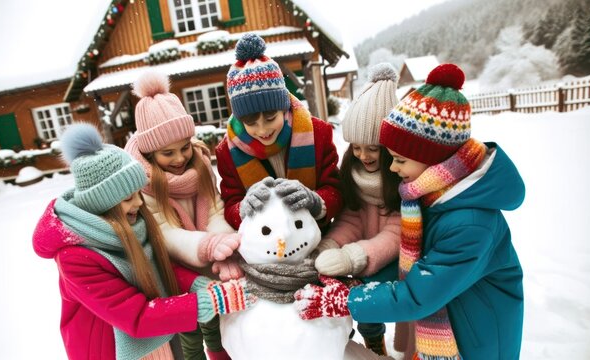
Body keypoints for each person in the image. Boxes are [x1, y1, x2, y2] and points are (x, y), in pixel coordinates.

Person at [295, 64, 525, 360]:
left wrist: (347, 299)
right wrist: (357, 282)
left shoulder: (470, 224)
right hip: (446, 325)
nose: (392, 168)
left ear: (431, 158)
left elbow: (418, 294)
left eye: (400, 160)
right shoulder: (429, 195)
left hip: (476, 341)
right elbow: (414, 265)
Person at [32, 123, 254, 360]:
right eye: (129, 198)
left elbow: (157, 267)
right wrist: (210, 301)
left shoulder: (133, 224)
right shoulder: (75, 258)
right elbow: (136, 315)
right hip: (113, 351)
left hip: (160, 341)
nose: (139, 203)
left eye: (138, 194)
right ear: (102, 204)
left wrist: (197, 285)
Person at [124, 71, 240, 360]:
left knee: (216, 325)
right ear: (150, 154)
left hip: (211, 264)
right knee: (190, 332)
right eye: (168, 153)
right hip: (176, 274)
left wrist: (224, 245)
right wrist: (208, 246)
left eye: (184, 147)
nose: (179, 159)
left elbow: (214, 209)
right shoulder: (144, 185)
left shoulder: (199, 166)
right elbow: (164, 234)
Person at [312, 63, 403, 356]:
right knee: (341, 289)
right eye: (357, 147)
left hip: (392, 260)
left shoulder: (401, 180)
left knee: (367, 296)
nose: (363, 155)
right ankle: (353, 340)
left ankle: (374, 341)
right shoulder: (353, 172)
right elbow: (351, 216)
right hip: (362, 255)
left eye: (372, 148)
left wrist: (353, 257)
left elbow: (395, 233)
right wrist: (330, 244)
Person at [215, 33, 343, 233]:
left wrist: (316, 202)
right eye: (251, 122)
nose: (263, 130)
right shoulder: (226, 152)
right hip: (264, 246)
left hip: (315, 235)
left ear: (283, 108)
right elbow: (230, 205)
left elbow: (336, 190)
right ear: (240, 119)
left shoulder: (318, 134)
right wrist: (243, 209)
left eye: (270, 118)